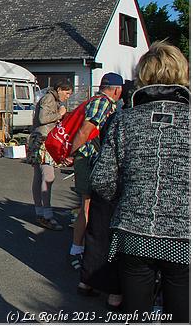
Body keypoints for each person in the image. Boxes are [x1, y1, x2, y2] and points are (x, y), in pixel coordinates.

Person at [91, 42, 190, 323]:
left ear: (144, 75)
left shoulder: (124, 120)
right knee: (183, 313)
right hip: (186, 234)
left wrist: (128, 197)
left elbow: (102, 180)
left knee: (135, 315)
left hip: (134, 232)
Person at [65, 72, 123, 272]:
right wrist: (72, 153)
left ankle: (82, 249)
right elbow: (85, 130)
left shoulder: (97, 101)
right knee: (87, 207)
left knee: (90, 207)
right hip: (89, 159)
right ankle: (77, 250)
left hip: (90, 159)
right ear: (116, 89)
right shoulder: (103, 103)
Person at [27, 81, 73, 231]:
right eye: (67, 93)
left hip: (39, 139)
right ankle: (46, 215)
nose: (68, 97)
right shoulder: (49, 99)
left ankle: (40, 213)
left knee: (39, 177)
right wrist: (59, 114)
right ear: (59, 89)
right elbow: (43, 118)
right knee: (48, 177)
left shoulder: (51, 99)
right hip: (42, 140)